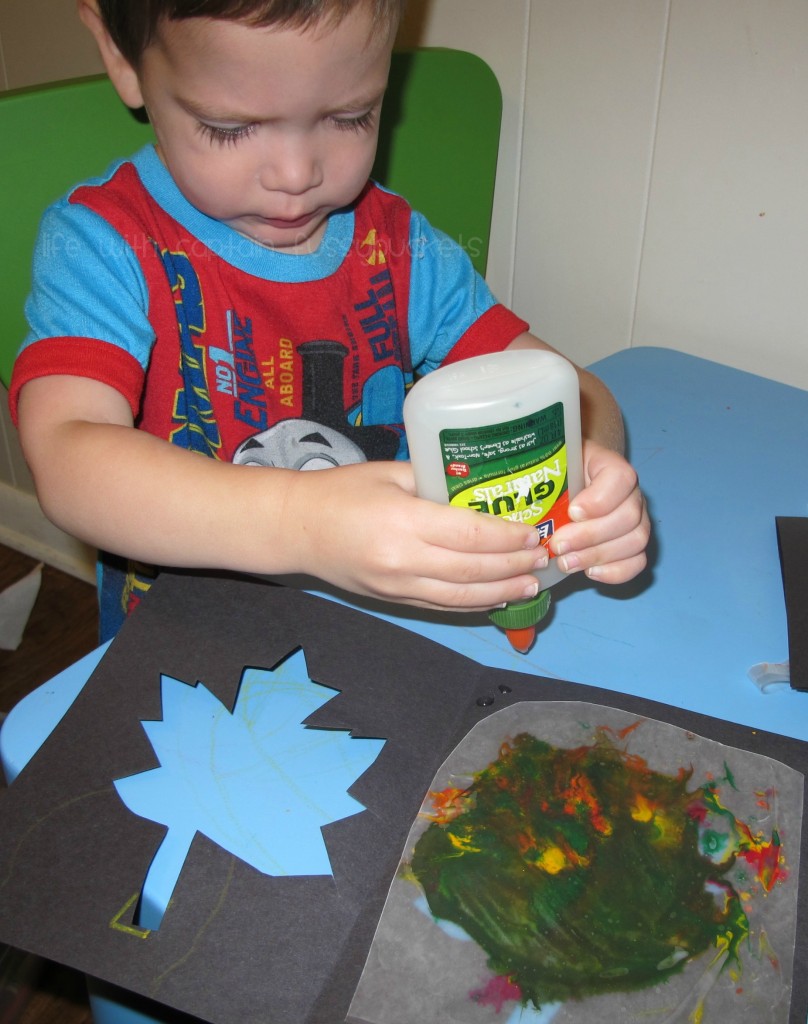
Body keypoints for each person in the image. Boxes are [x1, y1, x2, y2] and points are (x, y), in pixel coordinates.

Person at [9, 0, 650, 641]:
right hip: (189, 644)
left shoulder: (400, 248)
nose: (297, 175)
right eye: (230, 128)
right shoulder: (103, 243)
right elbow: (69, 456)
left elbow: (571, 389)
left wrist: (591, 483)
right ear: (123, 60)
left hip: (396, 632)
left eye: (350, 117)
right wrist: (303, 523)